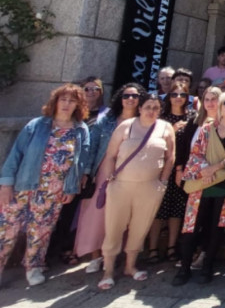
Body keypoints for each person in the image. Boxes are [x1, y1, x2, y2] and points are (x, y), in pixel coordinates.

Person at [0, 84, 90, 286]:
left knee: (41, 230)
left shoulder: (80, 130)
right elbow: (15, 154)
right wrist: (5, 184)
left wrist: (71, 188)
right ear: (56, 102)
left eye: (72, 100)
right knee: (6, 228)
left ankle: (33, 267)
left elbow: (82, 161)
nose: (67, 104)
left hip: (53, 191)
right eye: (63, 99)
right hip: (23, 185)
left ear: (78, 105)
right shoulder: (37, 125)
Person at [97, 93, 175, 289]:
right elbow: (110, 155)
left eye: (156, 108)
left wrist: (162, 182)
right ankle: (108, 270)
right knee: (114, 226)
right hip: (122, 184)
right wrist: (109, 179)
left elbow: (170, 157)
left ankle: (130, 266)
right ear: (140, 108)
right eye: (148, 107)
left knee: (140, 226)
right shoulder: (126, 126)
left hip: (150, 186)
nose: (151, 111)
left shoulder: (165, 128)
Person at [173, 91, 225, 285]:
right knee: (191, 227)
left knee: (216, 228)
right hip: (203, 183)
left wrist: (214, 169)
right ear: (220, 107)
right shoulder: (207, 129)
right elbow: (196, 153)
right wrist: (205, 171)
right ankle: (184, 269)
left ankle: (207, 268)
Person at [74, 83, 144, 273]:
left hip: (130, 173)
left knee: (121, 215)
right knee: (96, 215)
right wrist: (87, 172)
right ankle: (96, 256)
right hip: (104, 170)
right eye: (126, 96)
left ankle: (112, 255)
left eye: (135, 96)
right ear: (119, 99)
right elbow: (93, 146)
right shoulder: (107, 121)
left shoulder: (144, 122)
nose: (130, 99)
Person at [50, 77, 106, 266]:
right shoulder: (70, 116)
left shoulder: (105, 116)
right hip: (52, 173)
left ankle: (68, 248)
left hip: (83, 171)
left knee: (73, 212)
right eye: (87, 89)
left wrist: (87, 172)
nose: (91, 92)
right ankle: (46, 251)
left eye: (95, 89)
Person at [148, 82, 195, 264]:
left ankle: (171, 247)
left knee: (177, 210)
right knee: (158, 210)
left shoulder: (191, 117)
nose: (178, 98)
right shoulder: (162, 118)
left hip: (182, 168)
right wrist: (172, 131)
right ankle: (152, 248)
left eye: (182, 95)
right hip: (161, 168)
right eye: (174, 94)